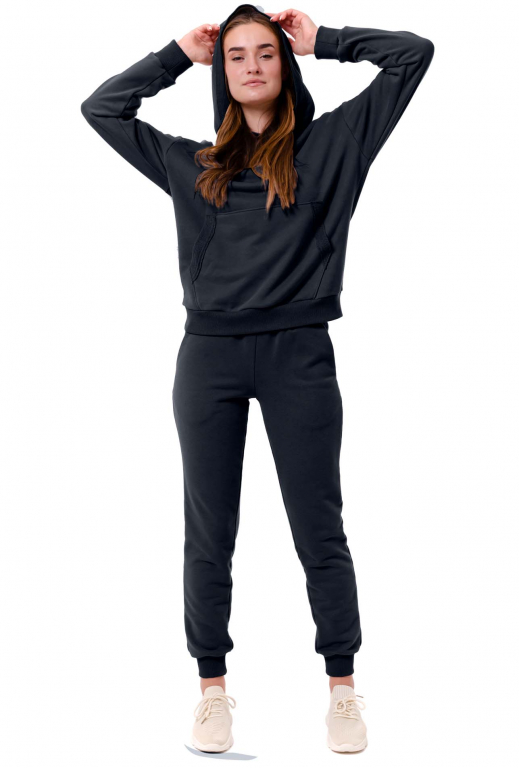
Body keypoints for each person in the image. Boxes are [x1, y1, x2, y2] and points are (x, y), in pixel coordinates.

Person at [81, 3, 434, 754]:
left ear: (285, 64)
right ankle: (211, 693)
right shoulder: (193, 164)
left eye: (265, 53)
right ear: (222, 70)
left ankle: (342, 689)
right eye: (236, 54)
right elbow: (102, 108)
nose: (250, 65)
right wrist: (177, 55)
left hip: (298, 353)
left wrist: (324, 41)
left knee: (319, 526)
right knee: (209, 531)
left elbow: (414, 54)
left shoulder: (336, 143)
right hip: (207, 357)